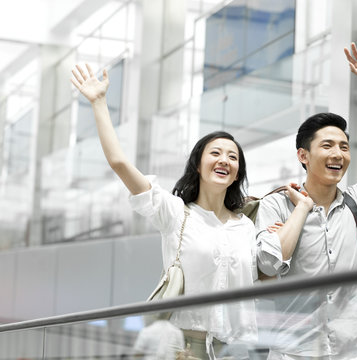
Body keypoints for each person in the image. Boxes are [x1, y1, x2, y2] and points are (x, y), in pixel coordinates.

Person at [71, 64, 257, 360]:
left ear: (236, 174)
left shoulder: (246, 227)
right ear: (198, 165)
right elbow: (119, 163)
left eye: (232, 157)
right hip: (183, 349)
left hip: (238, 351)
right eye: (216, 153)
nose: (224, 160)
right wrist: (98, 102)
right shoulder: (175, 213)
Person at [255, 43, 357, 359]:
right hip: (292, 353)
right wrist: (301, 210)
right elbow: (268, 264)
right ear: (304, 155)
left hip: (348, 353)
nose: (338, 154)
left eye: (344, 146)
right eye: (327, 145)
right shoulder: (276, 205)